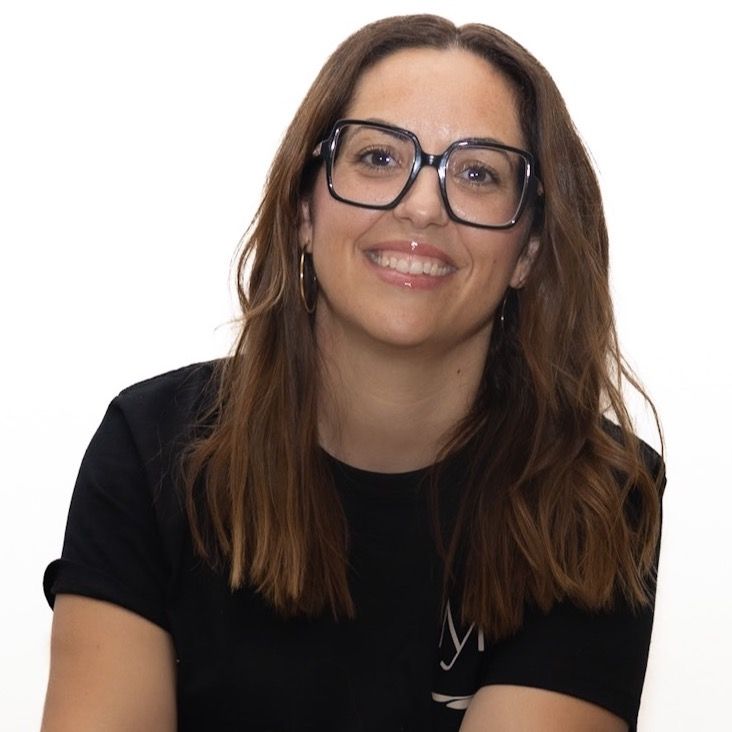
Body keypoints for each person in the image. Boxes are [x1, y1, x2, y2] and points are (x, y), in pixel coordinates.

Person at [41, 14, 665, 732]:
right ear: (304, 209)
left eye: (477, 173)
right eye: (377, 157)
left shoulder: (597, 494)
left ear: (528, 250)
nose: (422, 206)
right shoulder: (152, 447)